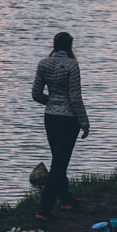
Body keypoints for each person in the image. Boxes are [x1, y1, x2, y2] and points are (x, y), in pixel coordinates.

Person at [30, 30, 89, 221]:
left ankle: (65, 199)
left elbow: (36, 94)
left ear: (54, 45)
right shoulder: (72, 65)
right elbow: (75, 98)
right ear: (70, 46)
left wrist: (52, 102)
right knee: (59, 164)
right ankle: (43, 209)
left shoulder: (43, 64)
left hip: (50, 118)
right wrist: (84, 122)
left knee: (58, 160)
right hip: (68, 120)